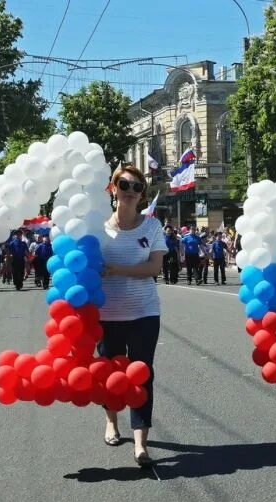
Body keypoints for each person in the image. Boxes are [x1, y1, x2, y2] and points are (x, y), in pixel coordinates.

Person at [98, 164, 167, 467]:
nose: (130, 192)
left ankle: (140, 443)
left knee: (141, 374)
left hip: (144, 313)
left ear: (142, 195)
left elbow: (154, 269)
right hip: (106, 315)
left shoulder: (151, 227)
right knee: (111, 375)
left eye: (136, 188)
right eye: (124, 185)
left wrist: (117, 270)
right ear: (113, 188)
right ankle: (112, 422)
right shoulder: (96, 226)